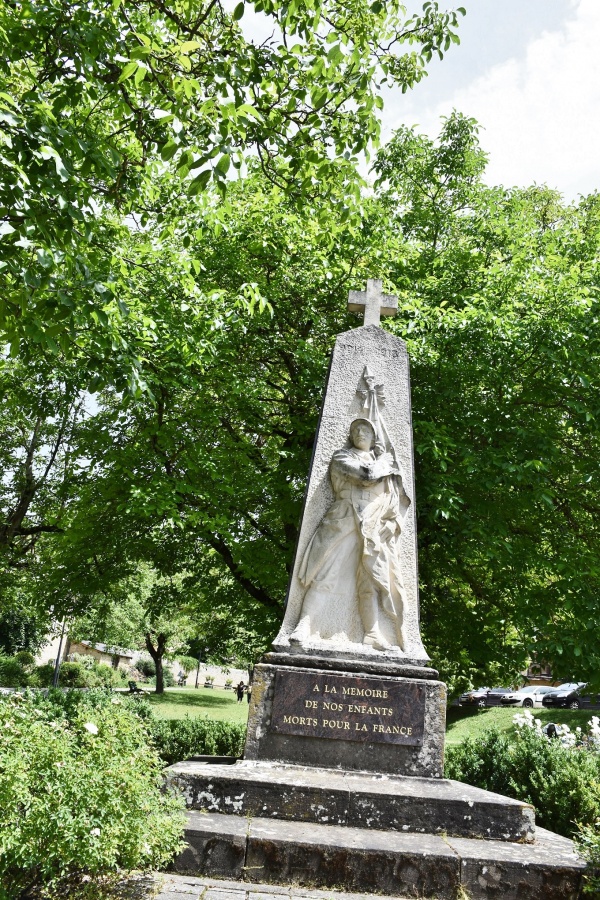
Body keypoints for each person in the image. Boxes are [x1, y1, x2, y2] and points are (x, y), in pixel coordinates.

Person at [290, 418, 408, 651]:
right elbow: (365, 475)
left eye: (366, 430)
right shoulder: (343, 458)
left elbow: (394, 503)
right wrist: (385, 462)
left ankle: (373, 634)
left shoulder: (386, 469)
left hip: (373, 529)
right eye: (356, 430)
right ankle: (304, 625)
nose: (360, 433)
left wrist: (393, 525)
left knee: (371, 583)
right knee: (325, 574)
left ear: (375, 439)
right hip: (344, 521)